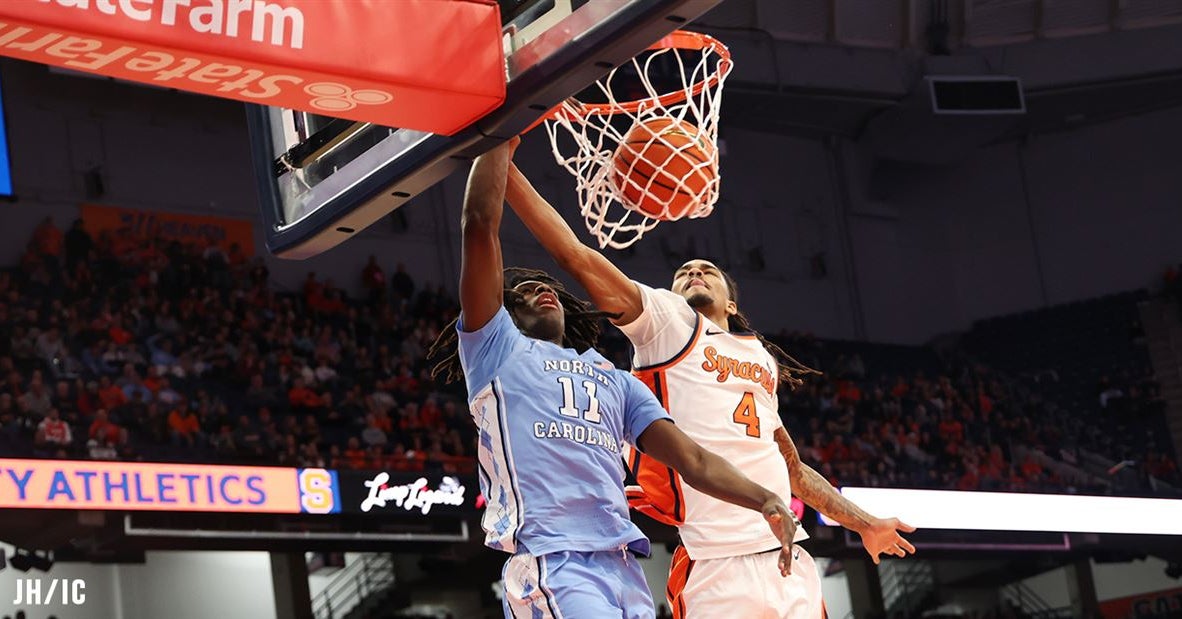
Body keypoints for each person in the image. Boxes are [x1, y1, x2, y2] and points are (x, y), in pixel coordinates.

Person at [504, 140, 917, 618]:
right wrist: (503, 166)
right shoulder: (667, 322)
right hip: (716, 565)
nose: (694, 272)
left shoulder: (761, 359)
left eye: (707, 270)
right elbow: (576, 257)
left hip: (788, 560)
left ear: (733, 302)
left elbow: (792, 471)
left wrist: (864, 524)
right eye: (683, 272)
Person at [428, 141, 798, 618]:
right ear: (505, 312)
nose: (542, 289)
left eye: (546, 288)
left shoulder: (615, 380)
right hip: (552, 560)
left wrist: (765, 497)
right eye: (522, 293)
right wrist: (500, 138)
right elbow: (479, 226)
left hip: (623, 566)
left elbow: (694, 459)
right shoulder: (496, 349)